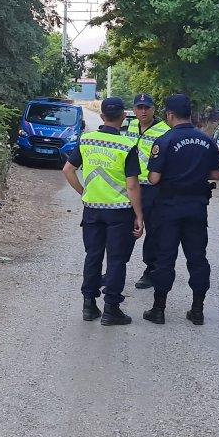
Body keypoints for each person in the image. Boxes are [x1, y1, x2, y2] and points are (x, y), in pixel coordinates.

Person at [62, 97, 144, 326]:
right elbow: (132, 185)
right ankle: (111, 309)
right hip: (119, 212)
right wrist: (139, 215)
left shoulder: (85, 139)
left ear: (102, 117)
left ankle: (89, 306)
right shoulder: (127, 145)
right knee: (117, 260)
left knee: (93, 256)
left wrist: (84, 193)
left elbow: (68, 170)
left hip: (92, 210)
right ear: (122, 118)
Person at [143, 94, 219, 326]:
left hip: (169, 208)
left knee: (165, 258)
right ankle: (197, 310)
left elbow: (154, 178)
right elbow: (216, 175)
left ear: (169, 115)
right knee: (197, 258)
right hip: (197, 207)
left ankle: (159, 309)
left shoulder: (164, 141)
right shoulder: (207, 141)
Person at [126, 93, 170, 290]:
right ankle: (116, 267)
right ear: (134, 109)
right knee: (126, 228)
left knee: (154, 230)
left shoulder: (164, 130)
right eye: (139, 107)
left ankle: (151, 270)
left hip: (153, 188)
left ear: (154, 109)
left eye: (147, 107)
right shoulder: (131, 127)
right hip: (131, 185)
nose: (143, 111)